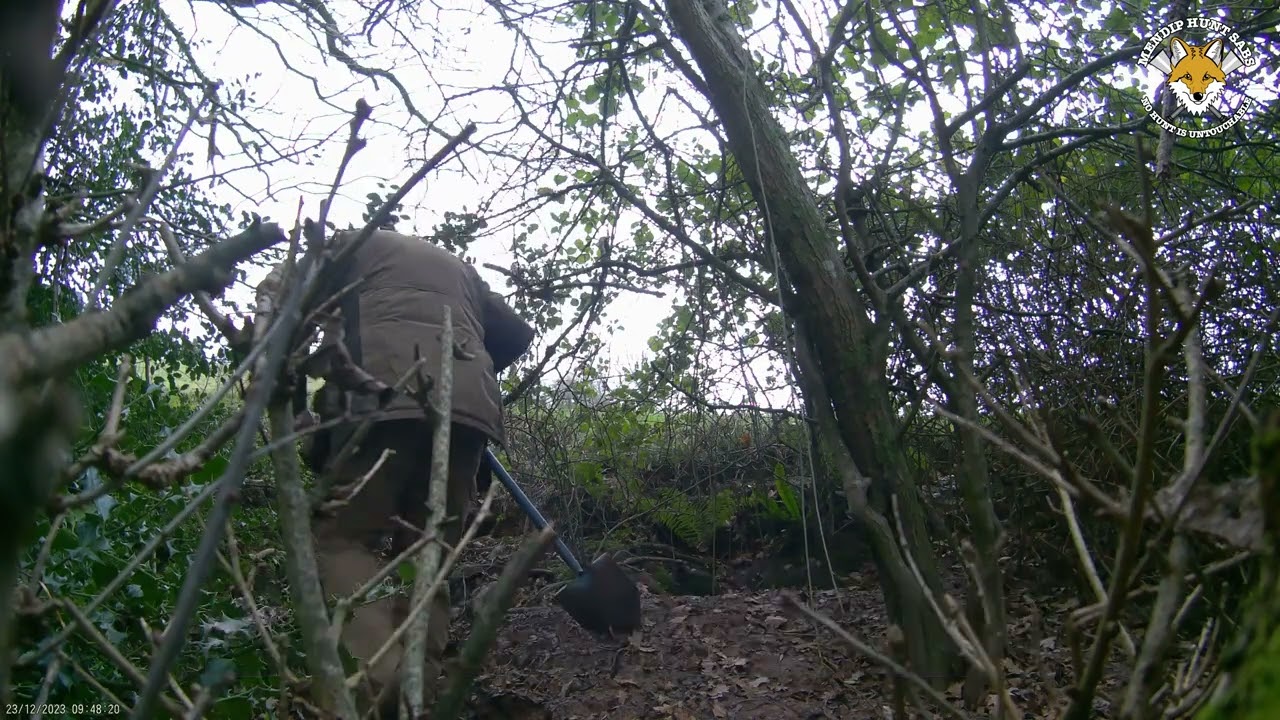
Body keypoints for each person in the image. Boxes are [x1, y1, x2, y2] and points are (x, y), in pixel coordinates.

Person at [280, 227, 535, 716]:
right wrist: (462, 372)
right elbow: (516, 334)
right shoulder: (459, 268)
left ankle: (381, 679)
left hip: (383, 391)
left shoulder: (344, 249)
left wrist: (298, 414)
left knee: (339, 540)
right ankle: (419, 691)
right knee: (429, 550)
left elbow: (286, 319)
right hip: (469, 408)